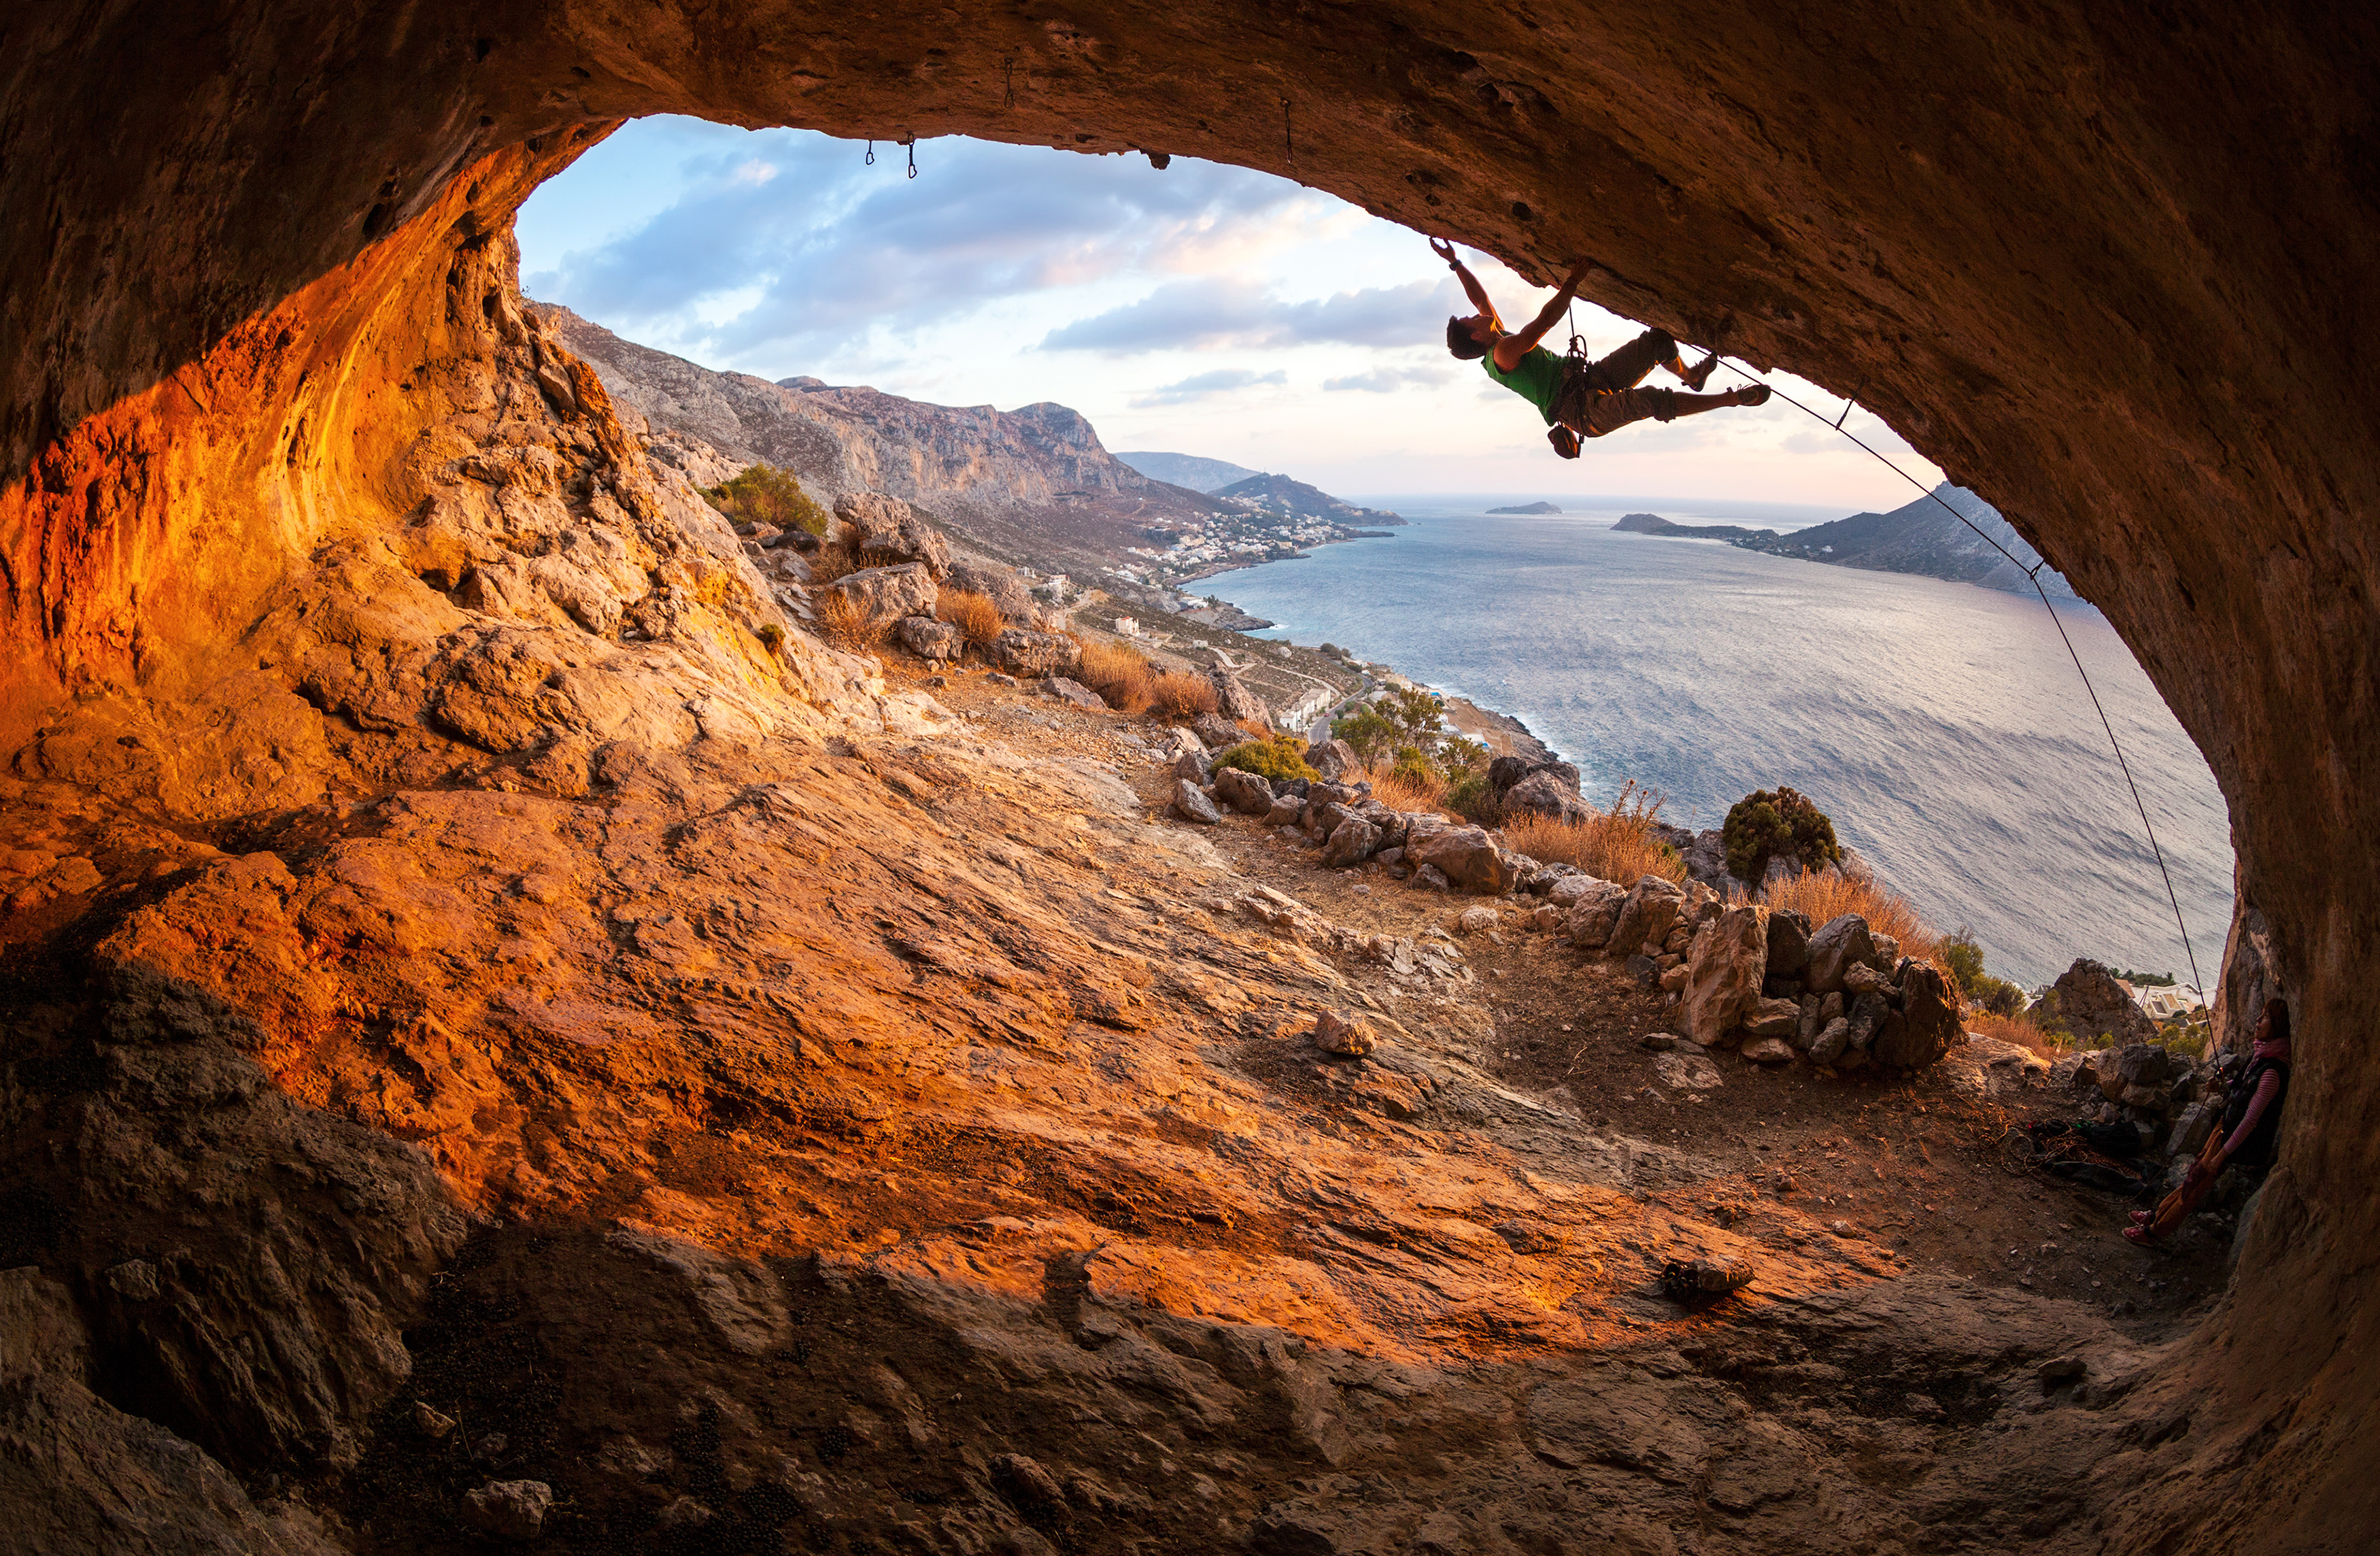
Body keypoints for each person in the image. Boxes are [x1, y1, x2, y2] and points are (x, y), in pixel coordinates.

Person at [1430, 237, 1770, 456]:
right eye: (1470, 320)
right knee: (1651, 399)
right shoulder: (1501, 354)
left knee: (1657, 342)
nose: (1476, 315)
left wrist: (1455, 263)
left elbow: (1481, 298)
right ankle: (1731, 399)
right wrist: (1573, 281)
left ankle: (1692, 377)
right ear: (1475, 336)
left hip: (1587, 380)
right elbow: (1543, 324)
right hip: (1583, 414)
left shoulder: (1496, 338)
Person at [2125, 999, 2292, 1246]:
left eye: (2265, 1017)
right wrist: (2222, 1086)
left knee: (2196, 1184)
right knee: (2193, 1175)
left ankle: (2154, 1232)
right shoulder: (2261, 1055)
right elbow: (2243, 1088)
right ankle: (2158, 1214)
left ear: (2277, 1025)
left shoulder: (2272, 1072)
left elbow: (2251, 1121)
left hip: (2231, 1138)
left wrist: (2222, 1155)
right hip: (2224, 1128)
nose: (2258, 1020)